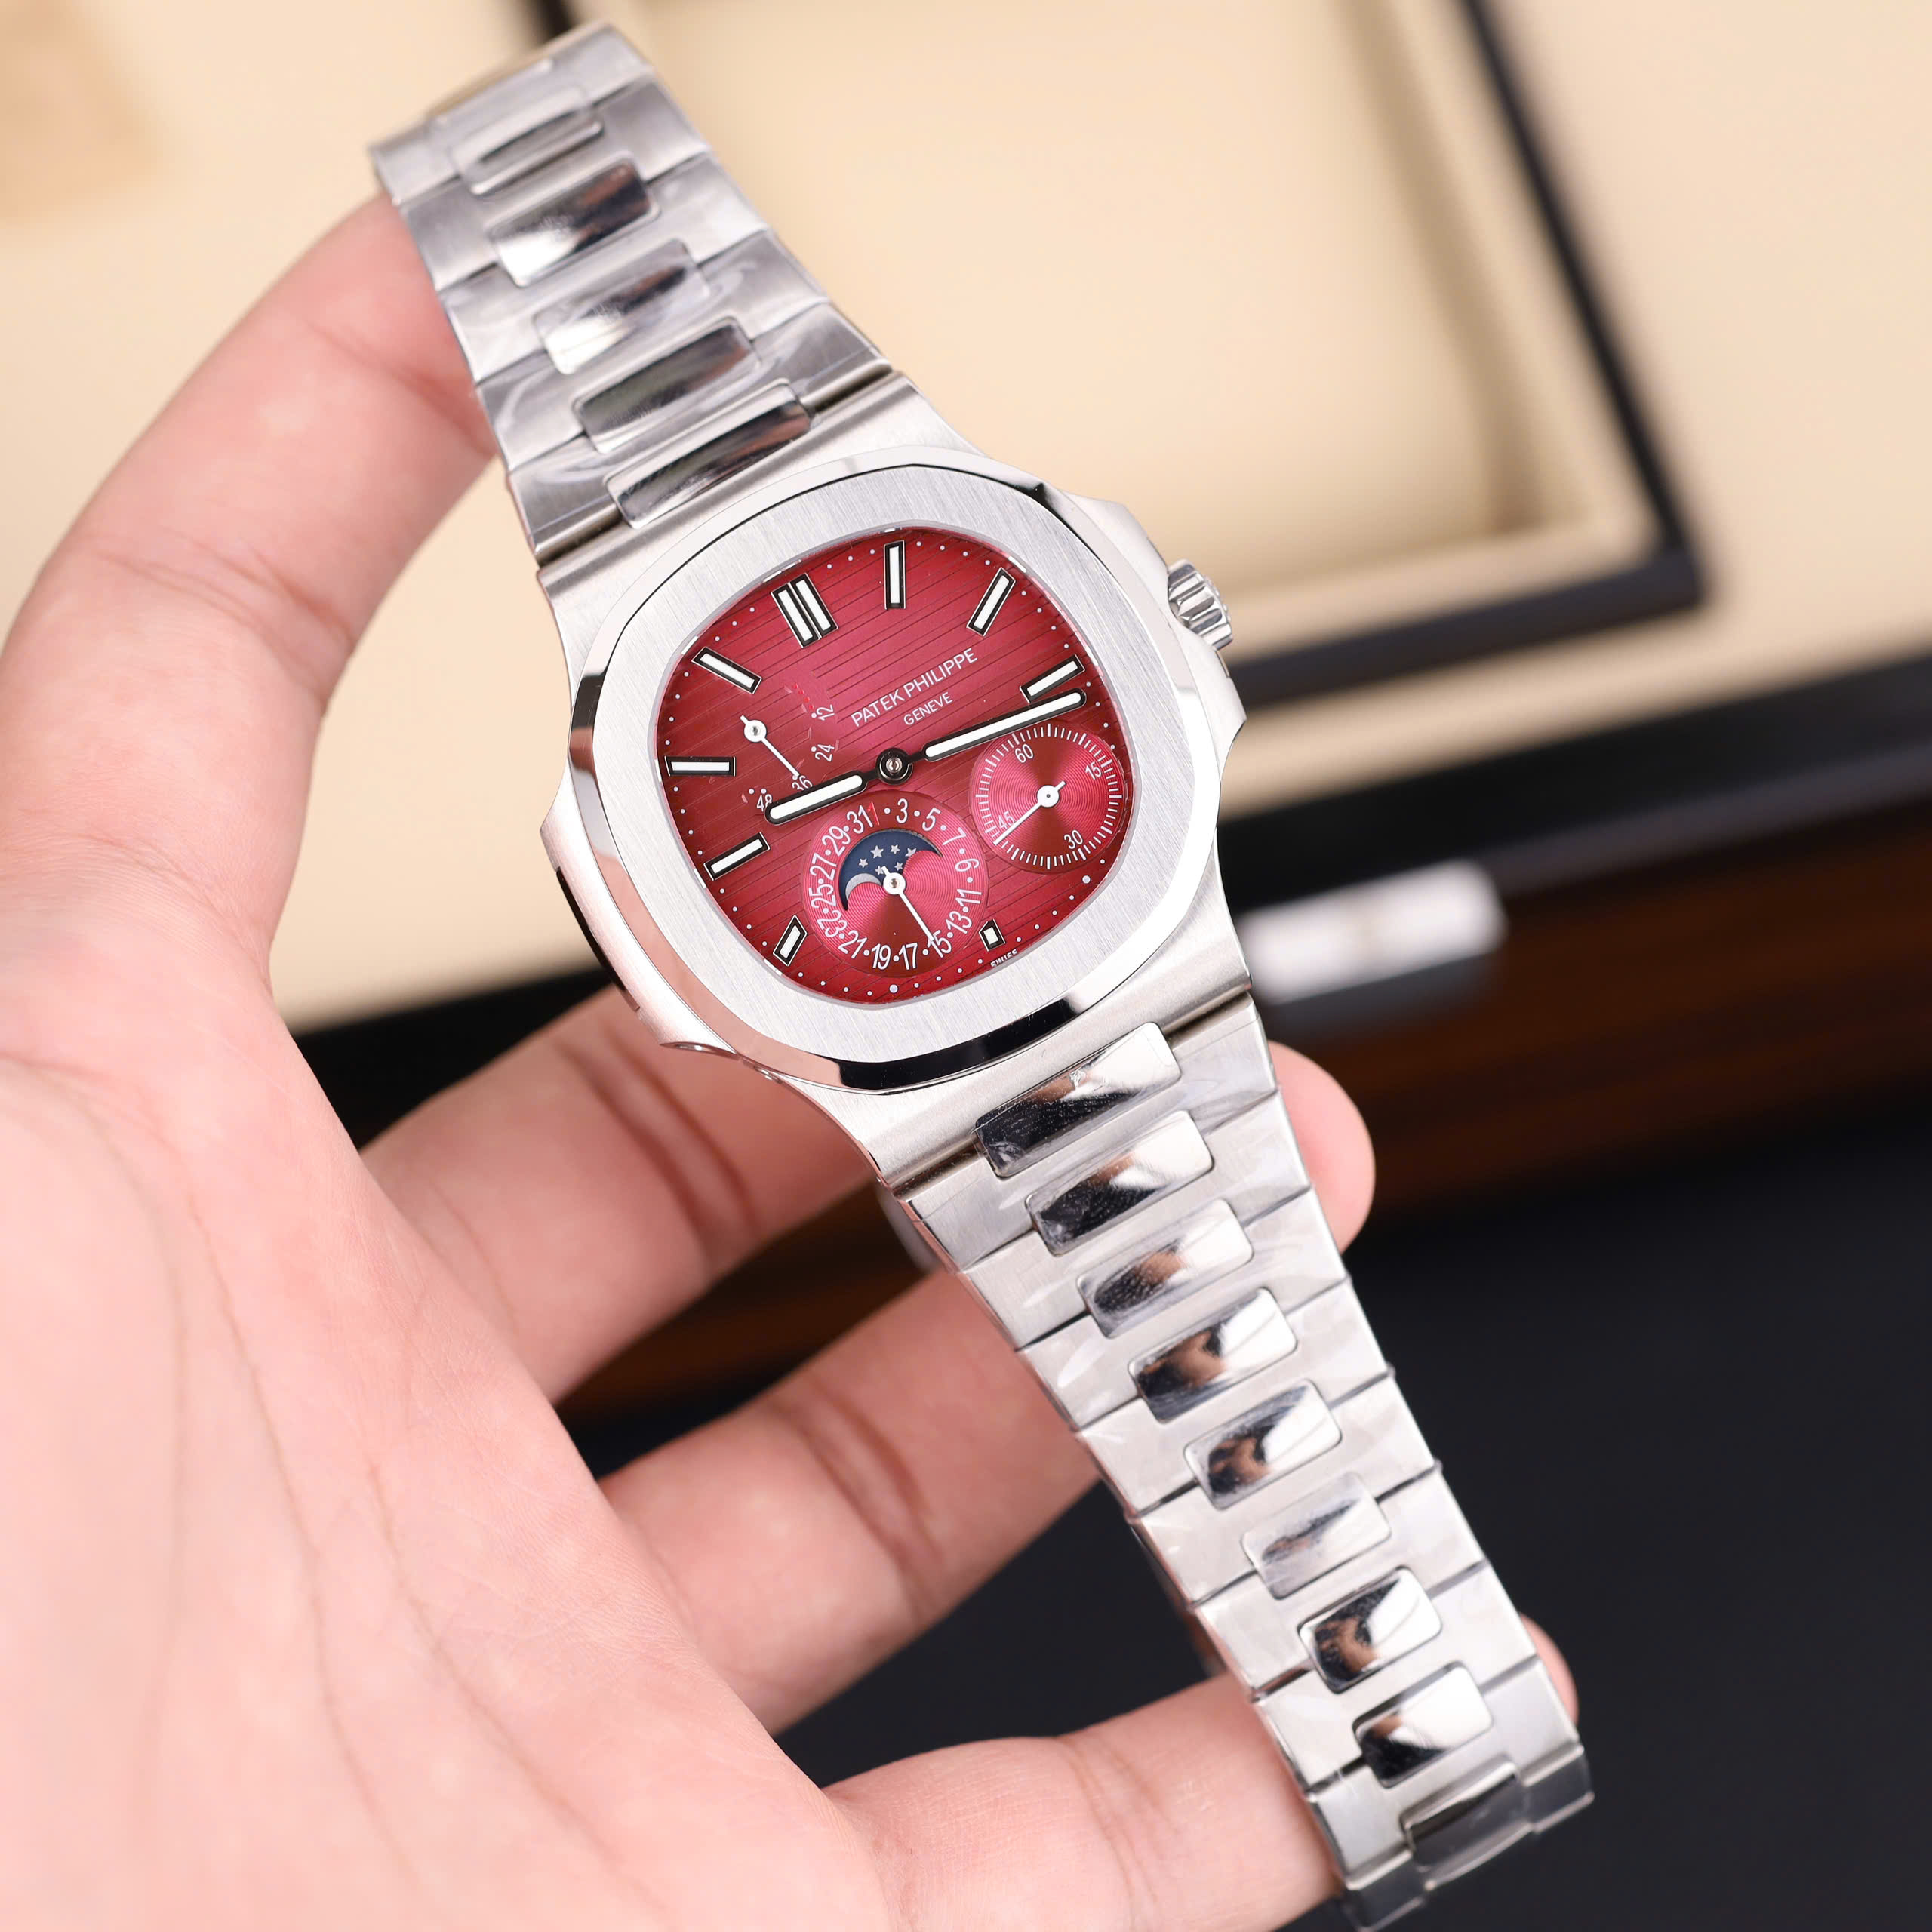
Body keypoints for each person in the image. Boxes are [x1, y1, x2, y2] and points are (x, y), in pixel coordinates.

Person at [0, 199, 1573, 1929]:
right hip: (949, 1013)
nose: (892, 770)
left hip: (1108, 935)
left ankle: (1424, 1729)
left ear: (1157, 639)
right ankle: (1423, 1730)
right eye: (842, 781)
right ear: (632, 896)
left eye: (924, 739)